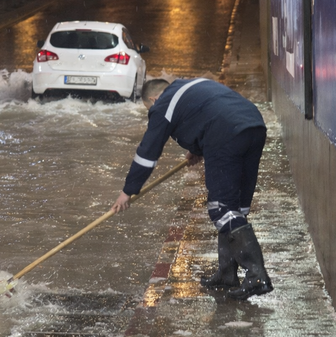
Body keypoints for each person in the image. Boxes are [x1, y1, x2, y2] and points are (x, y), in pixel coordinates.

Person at [111, 78, 273, 301]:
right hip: (254, 125)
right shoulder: (189, 86)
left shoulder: (163, 105)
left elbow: (147, 152)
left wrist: (127, 191)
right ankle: (227, 274)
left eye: (150, 108)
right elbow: (205, 113)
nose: (153, 112)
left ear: (153, 99)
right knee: (237, 208)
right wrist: (197, 149)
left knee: (221, 209)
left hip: (225, 133)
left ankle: (257, 277)